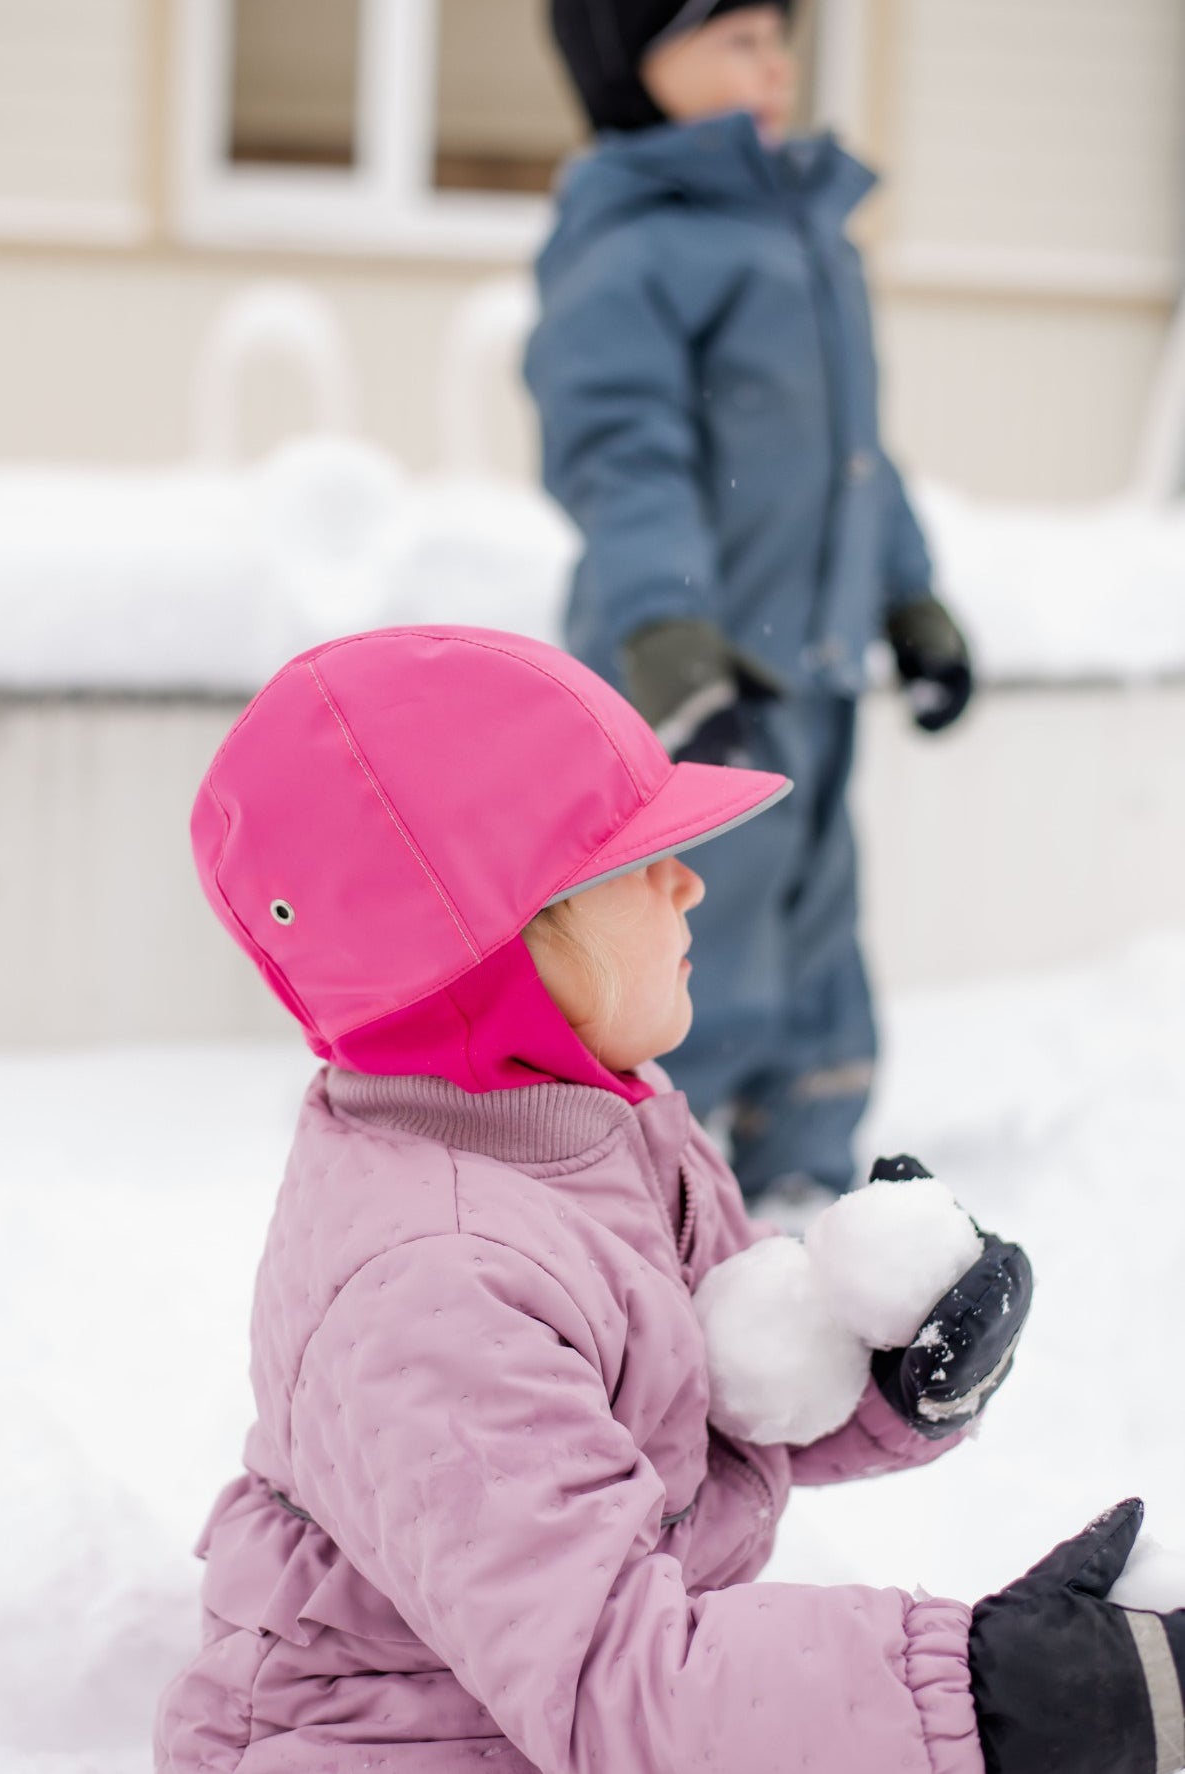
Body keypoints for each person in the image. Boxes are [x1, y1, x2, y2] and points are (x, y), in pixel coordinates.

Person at [155, 625, 1182, 1774]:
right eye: (630, 860)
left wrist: (883, 1381)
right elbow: (623, 1681)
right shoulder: (433, 1285)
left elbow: (677, 1407)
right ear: (494, 947)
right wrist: (997, 1698)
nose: (690, 880)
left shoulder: (588, 1114)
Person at [526, 0, 975, 1218]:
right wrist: (668, 635)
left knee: (821, 924)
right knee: (687, 938)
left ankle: (810, 1188)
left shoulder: (811, 235)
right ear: (640, 62)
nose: (774, 62)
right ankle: (663, 1195)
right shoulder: (634, 242)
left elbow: (857, 461)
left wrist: (912, 596)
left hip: (814, 673)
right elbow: (625, 455)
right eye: (735, 38)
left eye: (781, 36)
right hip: (694, 681)